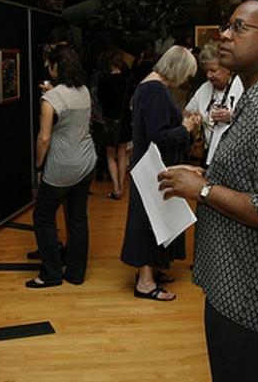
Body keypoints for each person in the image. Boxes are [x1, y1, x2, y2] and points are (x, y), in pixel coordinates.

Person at [158, 0, 258, 382]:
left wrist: (203, 190)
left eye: (239, 27)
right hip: (245, 284)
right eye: (227, 25)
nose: (225, 35)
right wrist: (204, 175)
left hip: (251, 293)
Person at [120, 45, 200, 301]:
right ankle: (145, 283)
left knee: (156, 220)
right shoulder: (155, 90)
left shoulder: (149, 87)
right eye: (187, 74)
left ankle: (151, 270)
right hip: (152, 168)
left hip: (149, 165)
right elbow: (159, 136)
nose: (186, 80)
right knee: (149, 222)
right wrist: (186, 128)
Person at [26, 46, 97, 288]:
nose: (48, 67)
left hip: (62, 166)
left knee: (43, 217)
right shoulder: (84, 91)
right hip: (86, 163)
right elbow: (72, 113)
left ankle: (51, 274)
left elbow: (44, 138)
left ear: (56, 66)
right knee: (78, 218)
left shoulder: (50, 100)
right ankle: (76, 273)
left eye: (50, 64)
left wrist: (38, 166)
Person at [185, 43, 244, 166]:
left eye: (213, 70)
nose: (209, 75)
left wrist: (232, 117)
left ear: (227, 69)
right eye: (206, 71)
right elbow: (187, 112)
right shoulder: (204, 88)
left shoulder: (242, 85)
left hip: (235, 157)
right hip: (210, 155)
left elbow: (255, 119)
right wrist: (194, 117)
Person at [98, 53, 132, 199]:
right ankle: (122, 187)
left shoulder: (103, 80)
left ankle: (116, 188)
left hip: (110, 120)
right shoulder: (127, 80)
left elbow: (100, 99)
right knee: (122, 154)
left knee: (110, 155)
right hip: (124, 119)